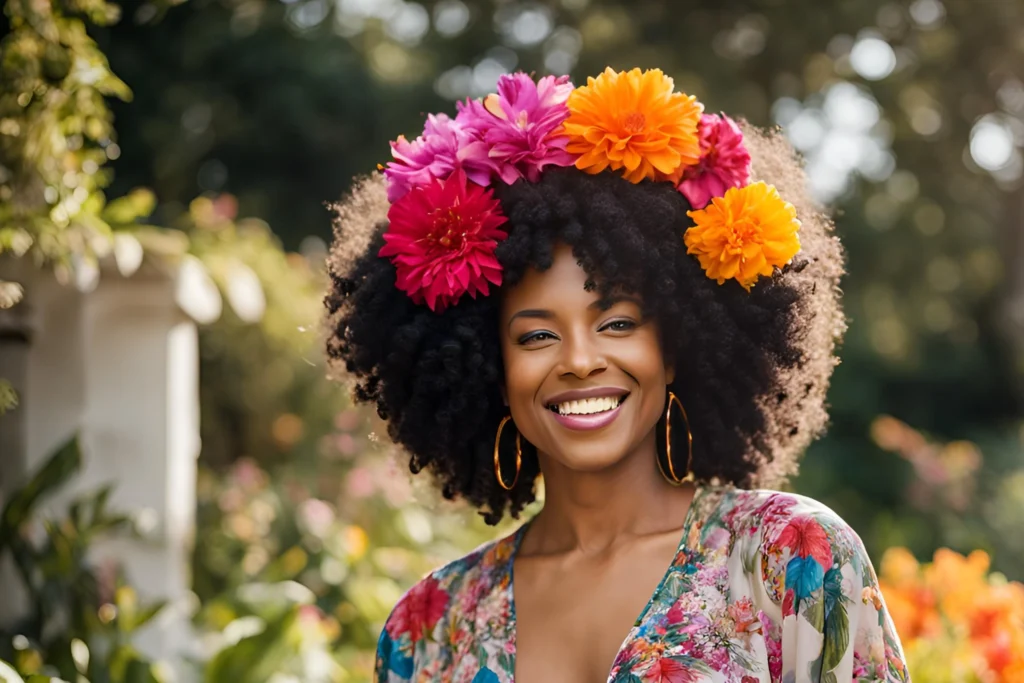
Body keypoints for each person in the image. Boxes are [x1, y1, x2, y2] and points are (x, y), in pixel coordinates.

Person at [325, 67, 909, 683]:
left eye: (618, 324)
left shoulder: (790, 559)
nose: (579, 360)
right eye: (536, 335)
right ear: (488, 367)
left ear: (676, 346)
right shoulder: (427, 630)